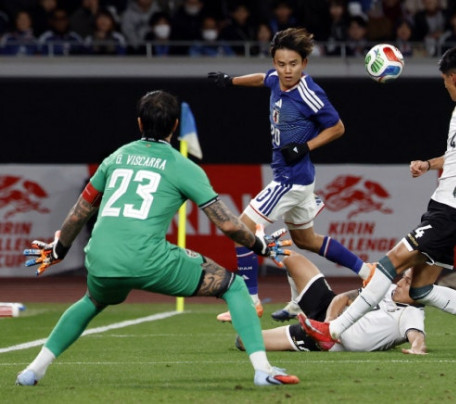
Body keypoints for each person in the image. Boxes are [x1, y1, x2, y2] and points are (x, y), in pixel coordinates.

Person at [15, 90, 299, 387]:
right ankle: (263, 370)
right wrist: (261, 246)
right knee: (234, 286)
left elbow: (79, 214)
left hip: (100, 259)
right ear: (174, 125)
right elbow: (228, 224)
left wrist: (58, 251)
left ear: (139, 122)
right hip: (148, 259)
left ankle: (33, 370)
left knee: (92, 301)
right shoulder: (182, 166)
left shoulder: (116, 157)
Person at [299, 46, 456, 361]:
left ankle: (333, 331)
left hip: (455, 210)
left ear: (454, 78)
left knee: (389, 264)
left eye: (444, 80)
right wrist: (428, 164)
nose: (444, 86)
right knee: (419, 290)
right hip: (442, 206)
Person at [207, 27, 373, 323]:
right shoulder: (276, 79)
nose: (287, 70)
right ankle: (366, 271)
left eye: (293, 64)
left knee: (240, 228)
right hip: (299, 179)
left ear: (304, 63)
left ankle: (250, 301)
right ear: (275, 62)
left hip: (290, 179)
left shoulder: (309, 92)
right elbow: (262, 78)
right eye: (282, 64)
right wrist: (230, 80)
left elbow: (337, 127)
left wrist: (306, 147)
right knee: (306, 240)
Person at [235, 251, 426, 354]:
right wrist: (329, 323)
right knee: (289, 256)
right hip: (327, 315)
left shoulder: (411, 313)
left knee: (244, 340)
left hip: (326, 342)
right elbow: (343, 298)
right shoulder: (387, 287)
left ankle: (303, 314)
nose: (400, 283)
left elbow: (417, 338)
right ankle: (297, 304)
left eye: (407, 282)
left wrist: (417, 348)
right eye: (403, 277)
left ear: (420, 289)